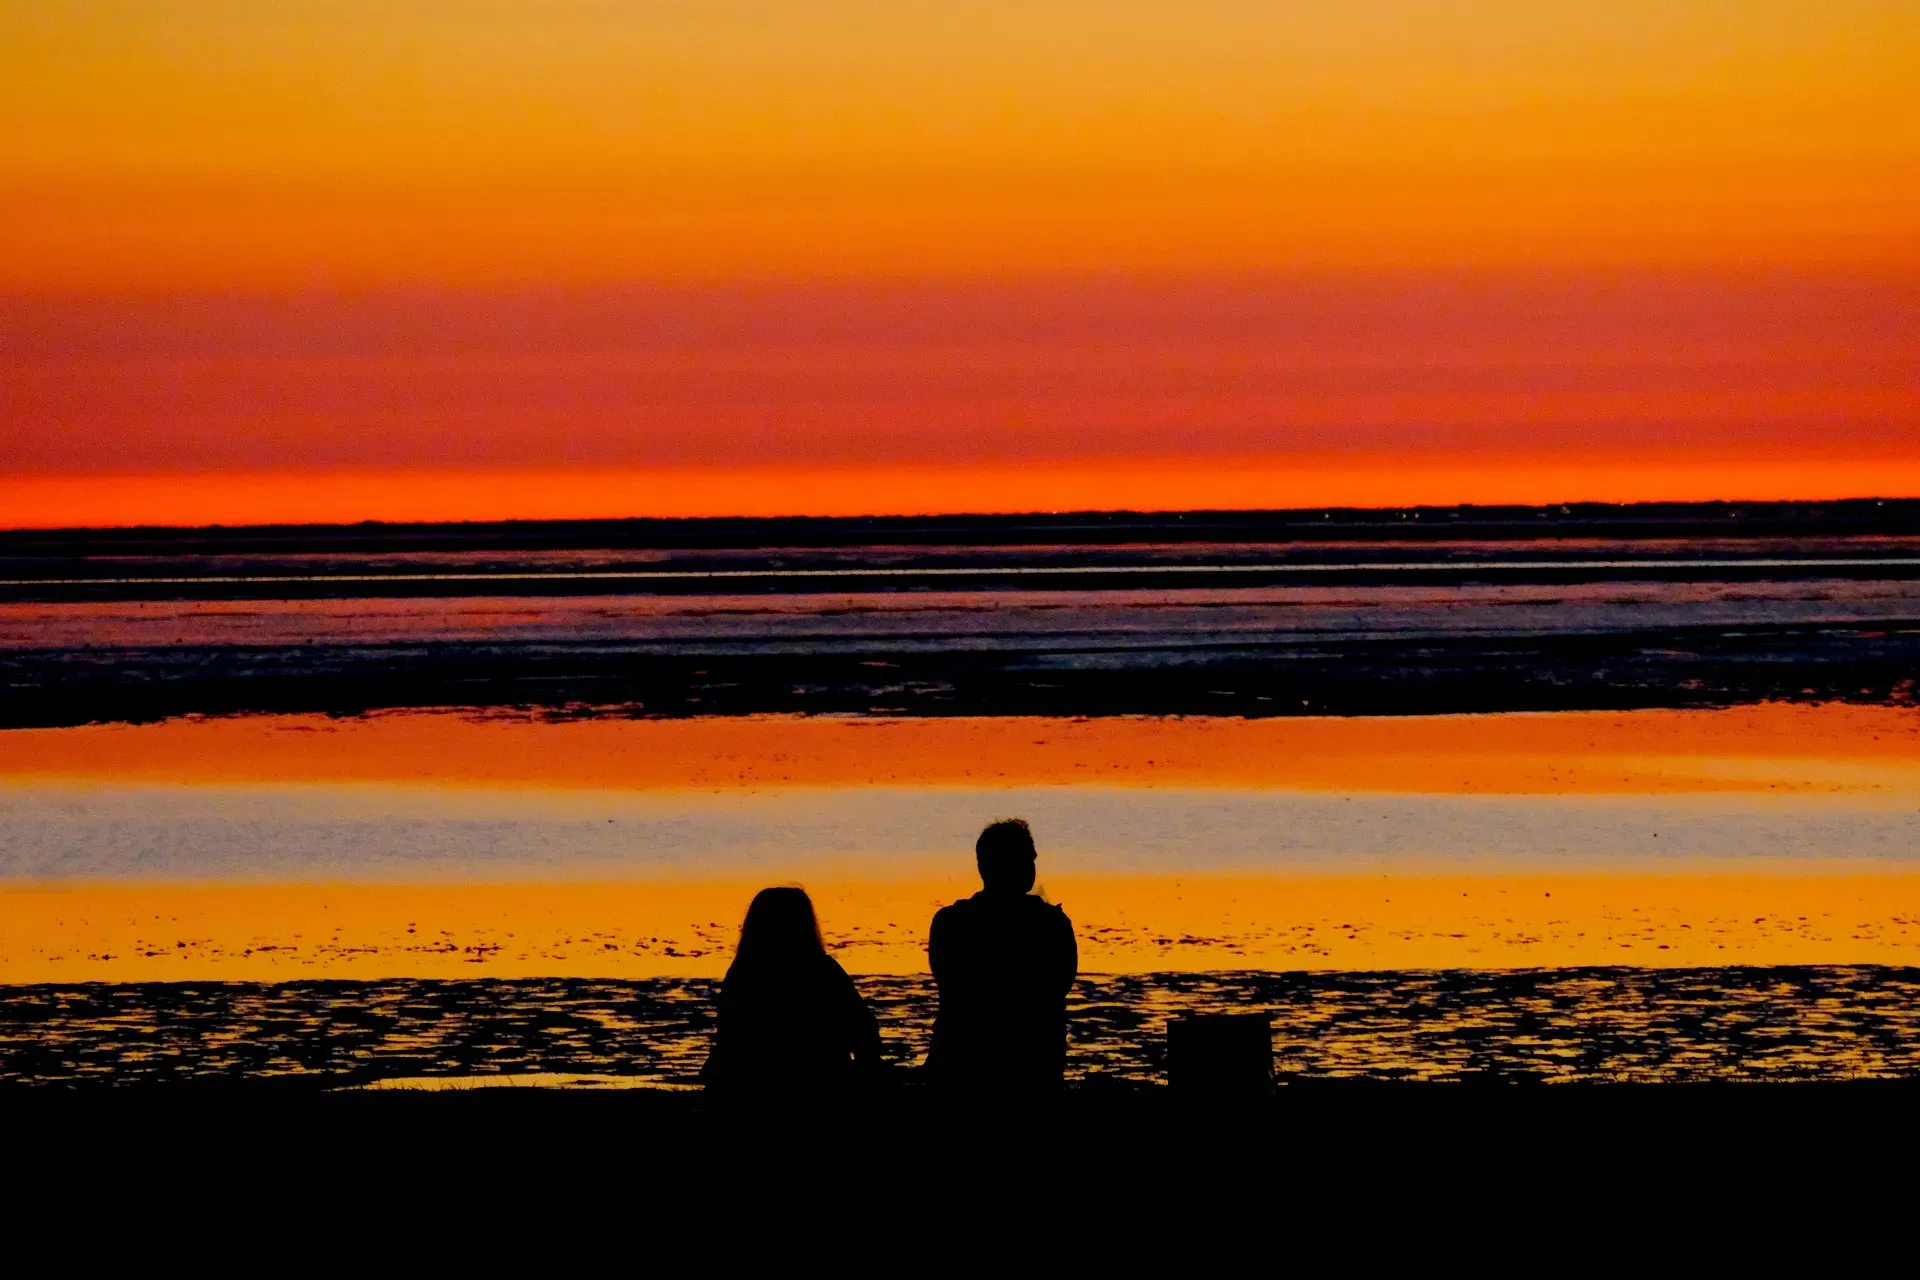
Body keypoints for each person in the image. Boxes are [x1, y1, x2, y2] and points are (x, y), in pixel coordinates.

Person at [926, 819, 1078, 1094]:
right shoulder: (1051, 924)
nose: (1033, 865)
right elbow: (1059, 986)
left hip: (959, 1063)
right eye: (1029, 858)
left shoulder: (949, 922)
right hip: (1031, 1068)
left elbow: (950, 983)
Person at [701, 886, 882, 1096]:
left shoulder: (742, 973)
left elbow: (729, 1038)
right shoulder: (823, 970)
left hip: (753, 1087)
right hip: (823, 1083)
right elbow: (863, 1030)